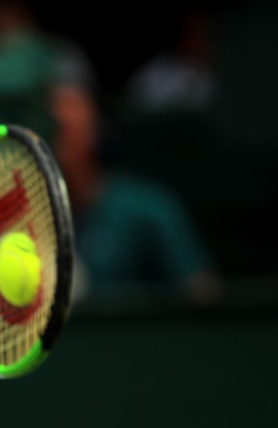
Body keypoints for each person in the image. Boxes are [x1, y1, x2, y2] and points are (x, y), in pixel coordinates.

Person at [49, 76, 223, 306]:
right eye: (51, 130)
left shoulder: (149, 208)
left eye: (68, 130)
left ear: (95, 133)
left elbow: (203, 292)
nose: (58, 143)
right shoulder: (22, 221)